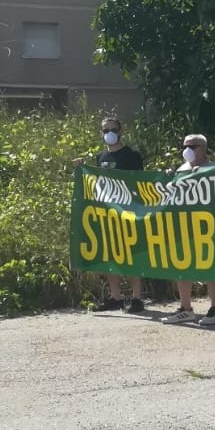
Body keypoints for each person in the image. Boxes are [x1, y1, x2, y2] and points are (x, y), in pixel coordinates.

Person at [79, 116, 146, 314]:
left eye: (113, 129)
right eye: (105, 129)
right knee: (110, 254)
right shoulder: (100, 157)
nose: (109, 132)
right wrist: (81, 169)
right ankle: (115, 297)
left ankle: (136, 298)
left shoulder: (132, 156)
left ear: (120, 131)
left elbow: (141, 183)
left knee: (132, 254)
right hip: (107, 213)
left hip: (129, 212)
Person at [164, 134, 215, 325]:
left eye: (193, 146)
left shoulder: (214, 168)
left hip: (209, 225)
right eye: (186, 146)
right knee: (182, 265)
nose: (188, 149)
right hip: (185, 224)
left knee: (211, 266)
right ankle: (186, 308)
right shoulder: (181, 170)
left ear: (204, 148)